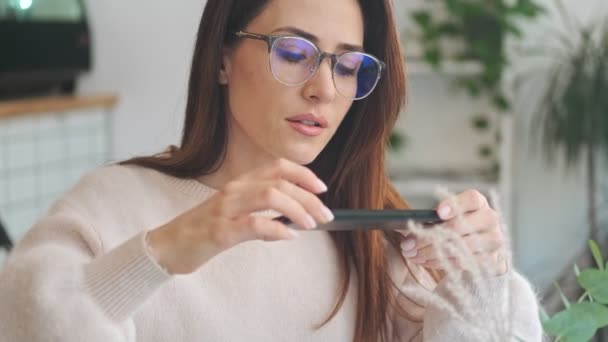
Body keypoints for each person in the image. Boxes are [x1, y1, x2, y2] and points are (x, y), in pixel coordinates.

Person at [0, 0, 543, 341]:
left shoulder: (381, 243)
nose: (324, 88)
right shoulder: (111, 207)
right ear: (221, 59)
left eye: (349, 65)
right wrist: (167, 249)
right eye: (293, 51)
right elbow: (26, 322)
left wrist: (479, 286)